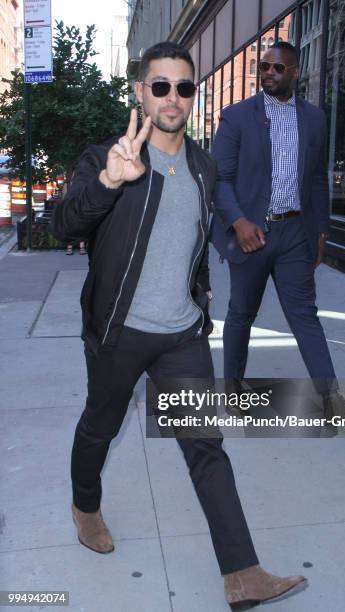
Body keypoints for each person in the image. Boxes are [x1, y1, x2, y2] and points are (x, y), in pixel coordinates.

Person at [51, 42, 305, 610]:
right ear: (140, 91)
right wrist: (110, 182)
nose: (172, 97)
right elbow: (63, 223)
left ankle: (242, 575)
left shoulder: (204, 165)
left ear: (194, 96)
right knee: (101, 426)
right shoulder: (106, 156)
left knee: (207, 447)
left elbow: (194, 240)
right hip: (119, 330)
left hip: (181, 335)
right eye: (160, 86)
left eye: (184, 87)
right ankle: (85, 505)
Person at [210, 41, 345, 425]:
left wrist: (321, 232)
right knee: (241, 313)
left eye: (278, 68)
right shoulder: (237, 117)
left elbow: (315, 179)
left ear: (295, 72)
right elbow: (219, 178)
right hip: (250, 234)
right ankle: (233, 390)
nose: (269, 73)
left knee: (305, 317)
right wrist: (239, 222)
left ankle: (330, 400)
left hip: (294, 232)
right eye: (264, 66)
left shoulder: (313, 119)